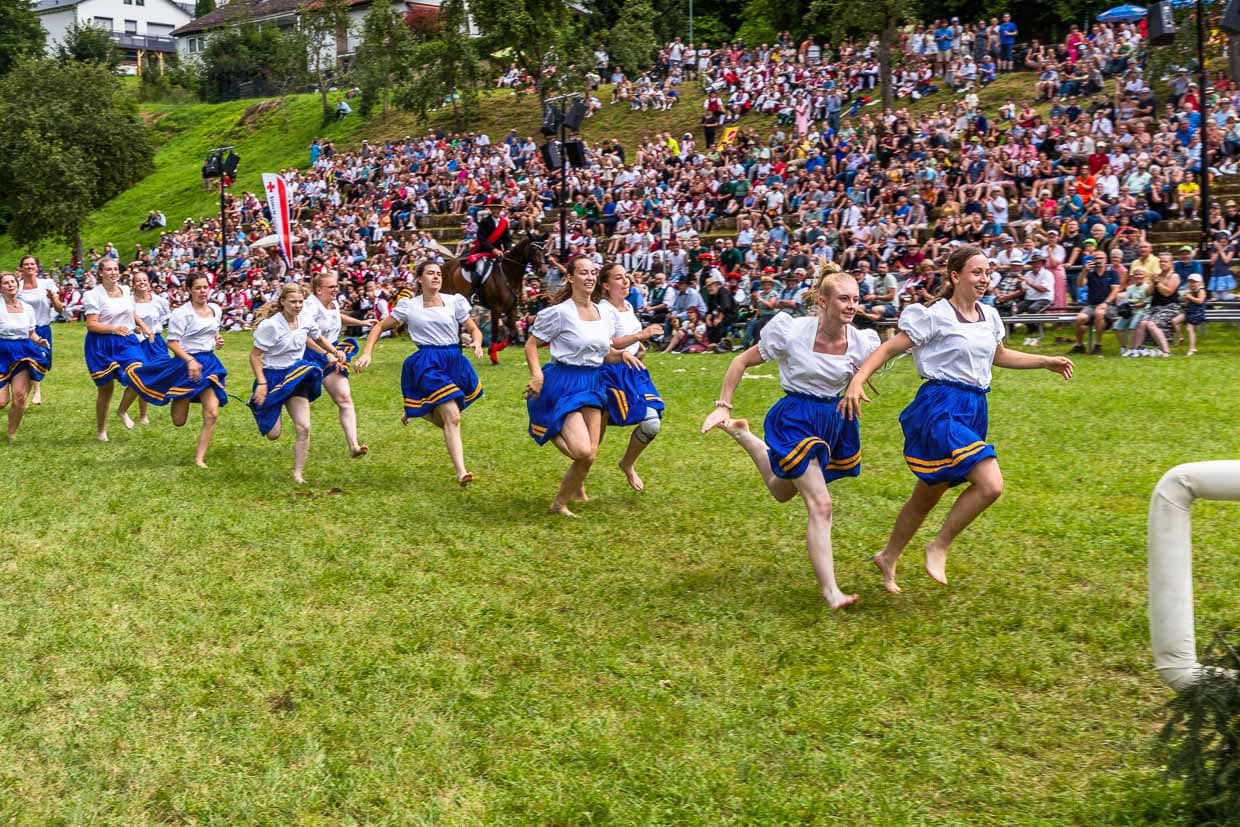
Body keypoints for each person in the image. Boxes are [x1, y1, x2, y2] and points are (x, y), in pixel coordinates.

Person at [840, 245, 1074, 593]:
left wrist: (1045, 362)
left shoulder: (990, 316)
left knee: (927, 494)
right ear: (955, 275)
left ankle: (888, 556)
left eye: (987, 271)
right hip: (940, 406)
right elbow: (889, 348)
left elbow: (1001, 355)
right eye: (976, 272)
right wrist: (857, 381)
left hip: (974, 408)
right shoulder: (934, 316)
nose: (985, 278)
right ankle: (938, 546)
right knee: (991, 484)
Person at [701, 265, 879, 610]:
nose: (851, 306)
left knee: (782, 491)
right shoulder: (791, 331)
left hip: (833, 422)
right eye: (843, 298)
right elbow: (740, 361)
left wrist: (858, 381)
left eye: (856, 299)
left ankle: (745, 436)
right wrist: (723, 405)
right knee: (820, 504)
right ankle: (831, 592)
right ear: (823, 300)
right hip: (795, 419)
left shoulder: (860, 341)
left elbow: (873, 364)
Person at [524, 255, 641, 516]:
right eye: (583, 272)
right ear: (570, 278)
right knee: (581, 450)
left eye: (592, 273)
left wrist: (622, 355)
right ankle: (550, 426)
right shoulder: (559, 313)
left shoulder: (602, 313)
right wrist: (536, 375)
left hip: (593, 382)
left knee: (590, 455)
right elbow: (532, 344)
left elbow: (605, 352)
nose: (589, 277)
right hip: (563, 381)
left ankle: (559, 504)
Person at [354, 261, 485, 486]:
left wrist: (477, 342)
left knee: (449, 418)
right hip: (427, 363)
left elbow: (473, 328)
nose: (436, 277)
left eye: (438, 274)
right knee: (452, 416)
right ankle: (461, 472)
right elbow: (378, 327)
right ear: (419, 279)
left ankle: (419, 410)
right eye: (430, 273)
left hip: (454, 360)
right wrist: (367, 353)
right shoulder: (409, 306)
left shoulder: (454, 301)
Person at [122, 273, 227, 467]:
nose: (202, 291)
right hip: (185, 364)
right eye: (198, 288)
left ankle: (199, 459)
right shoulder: (182, 313)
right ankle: (181, 394)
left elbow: (213, 331)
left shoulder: (215, 309)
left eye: (205, 287)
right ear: (189, 290)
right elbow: (172, 343)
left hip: (209, 364)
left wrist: (217, 339)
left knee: (212, 413)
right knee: (179, 420)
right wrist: (190, 360)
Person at [248, 284, 335, 484]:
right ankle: (259, 405)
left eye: (301, 302)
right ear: (283, 302)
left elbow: (318, 337)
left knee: (304, 427)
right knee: (273, 434)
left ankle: (298, 473)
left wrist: (332, 352)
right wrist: (261, 383)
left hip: (296, 375)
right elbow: (254, 356)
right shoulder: (271, 326)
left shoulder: (305, 319)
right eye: (293, 302)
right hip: (272, 377)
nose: (297, 306)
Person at [596, 262, 665, 492]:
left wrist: (639, 348)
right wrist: (640, 335)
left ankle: (627, 464)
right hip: (611, 374)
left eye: (626, 276)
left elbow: (629, 338)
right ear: (605, 285)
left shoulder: (627, 305)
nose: (625, 280)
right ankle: (577, 480)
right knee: (594, 438)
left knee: (652, 423)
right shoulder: (604, 309)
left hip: (634, 372)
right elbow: (609, 342)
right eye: (618, 277)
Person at [301, 272, 371, 459]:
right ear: (318, 290)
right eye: (331, 287)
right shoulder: (310, 306)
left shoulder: (333, 304)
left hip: (331, 352)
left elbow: (336, 316)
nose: (335, 289)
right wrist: (327, 353)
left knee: (344, 397)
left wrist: (361, 322)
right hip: (308, 354)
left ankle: (354, 445)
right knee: (296, 398)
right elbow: (305, 336)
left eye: (336, 286)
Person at [82, 259, 153, 442]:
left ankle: (122, 410)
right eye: (108, 269)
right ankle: (101, 431)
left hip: (126, 340)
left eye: (115, 269)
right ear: (100, 273)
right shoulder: (93, 295)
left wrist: (143, 326)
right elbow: (91, 324)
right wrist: (113, 329)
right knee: (106, 389)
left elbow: (131, 313)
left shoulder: (126, 290)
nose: (113, 272)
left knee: (140, 374)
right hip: (102, 343)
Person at [0, 272, 51, 442]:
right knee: (1, 401)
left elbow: (31, 333)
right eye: (6, 283)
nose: (10, 285)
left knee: (20, 396)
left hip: (22, 351)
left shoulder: (27, 308)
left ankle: (11, 434)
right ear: (1, 288)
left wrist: (40, 340)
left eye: (13, 282)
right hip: (2, 351)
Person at [116, 271, 171, 428]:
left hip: (156, 342)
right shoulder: (128, 302)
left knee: (162, 374)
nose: (142, 283)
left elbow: (165, 319)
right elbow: (124, 321)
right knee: (139, 378)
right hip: (137, 343)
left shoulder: (159, 301)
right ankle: (131, 412)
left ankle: (147, 412)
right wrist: (136, 329)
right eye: (138, 281)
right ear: (133, 284)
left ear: (149, 282)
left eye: (144, 280)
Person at [16, 255, 61, 406]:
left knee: (43, 361)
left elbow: (60, 309)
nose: (29, 267)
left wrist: (53, 298)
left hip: (43, 328)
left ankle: (29, 392)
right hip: (25, 330)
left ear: (37, 267)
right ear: (21, 268)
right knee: (28, 361)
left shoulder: (47, 284)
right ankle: (35, 391)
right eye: (26, 264)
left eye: (32, 264)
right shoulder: (18, 287)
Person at [1070, 256, 1120, 354]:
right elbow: (1080, 284)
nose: (1099, 260)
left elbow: (1115, 290)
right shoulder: (1090, 274)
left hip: (1108, 305)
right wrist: (1084, 271)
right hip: (1091, 305)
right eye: (1096, 258)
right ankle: (1079, 345)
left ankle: (1098, 345)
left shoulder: (1112, 273)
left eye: (1101, 258)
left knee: (1099, 313)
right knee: (1080, 318)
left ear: (1106, 260)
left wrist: (1106, 303)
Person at [465, 196, 511, 300]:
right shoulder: (484, 221)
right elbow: (482, 239)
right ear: (490, 209)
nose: (496, 210)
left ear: (501, 209)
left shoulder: (504, 222)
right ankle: (474, 293)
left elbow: (507, 239)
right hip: (484, 251)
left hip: (499, 252)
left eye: (498, 208)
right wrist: (493, 249)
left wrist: (508, 248)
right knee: (480, 269)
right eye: (494, 208)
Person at [1174, 273, 1206, 356]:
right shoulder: (1189, 292)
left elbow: (1200, 301)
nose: (1192, 284)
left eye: (1194, 282)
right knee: (1174, 321)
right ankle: (1180, 337)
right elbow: (1187, 304)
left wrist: (1190, 297)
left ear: (1200, 283)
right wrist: (1185, 298)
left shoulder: (1201, 291)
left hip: (1197, 313)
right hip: (1189, 311)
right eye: (1190, 282)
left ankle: (1192, 348)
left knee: (1189, 328)